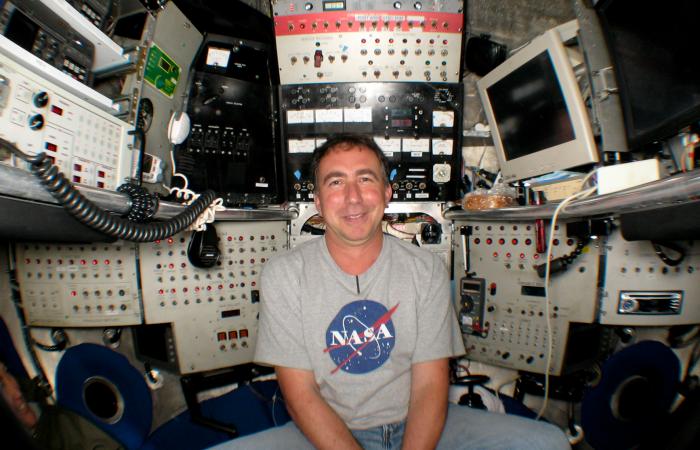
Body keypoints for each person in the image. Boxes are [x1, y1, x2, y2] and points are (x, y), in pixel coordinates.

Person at [211, 134, 570, 449]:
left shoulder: (425, 269)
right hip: (325, 431)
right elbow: (299, 394)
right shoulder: (284, 274)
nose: (352, 198)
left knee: (548, 442)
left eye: (365, 179)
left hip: (418, 423)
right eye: (335, 183)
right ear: (318, 201)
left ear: (386, 193)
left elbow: (431, 386)